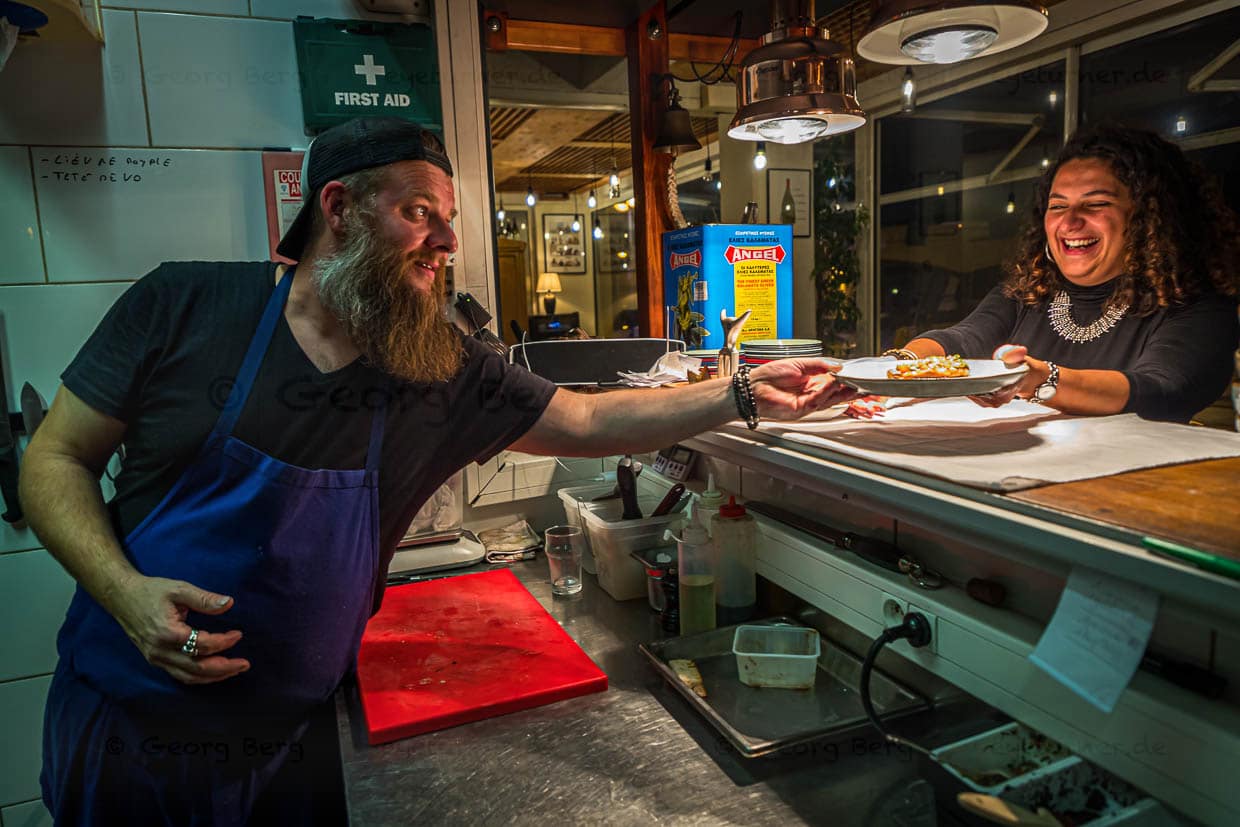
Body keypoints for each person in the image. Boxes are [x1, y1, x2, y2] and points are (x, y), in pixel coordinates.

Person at [18, 116, 854, 826]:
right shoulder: (184, 307)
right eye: (421, 213)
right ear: (338, 208)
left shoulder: (438, 366)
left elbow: (589, 416)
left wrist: (739, 390)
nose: (448, 242)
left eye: (448, 219)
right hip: (130, 733)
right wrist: (125, 594)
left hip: (299, 746)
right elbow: (52, 457)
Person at [890, 124, 1239, 423]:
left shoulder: (1197, 304)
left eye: (1096, 204)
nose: (1070, 221)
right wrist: (887, 371)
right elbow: (960, 341)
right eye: (1058, 206)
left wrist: (1038, 379)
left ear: (1149, 217)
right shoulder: (1028, 291)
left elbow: (1160, 390)